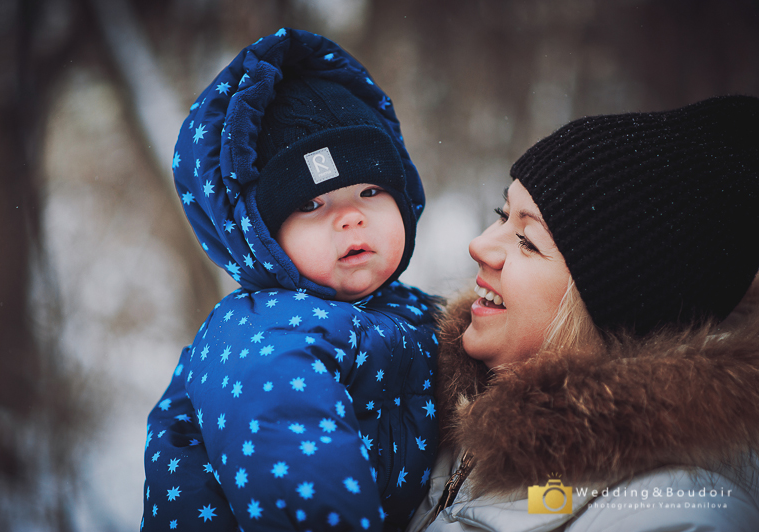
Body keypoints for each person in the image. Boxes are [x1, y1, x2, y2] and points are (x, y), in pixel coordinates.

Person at [407, 95, 759, 531]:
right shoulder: (419, 398)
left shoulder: (671, 516)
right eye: (503, 215)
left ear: (609, 306)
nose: (479, 244)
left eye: (527, 241)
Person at [141, 29, 440, 532]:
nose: (350, 218)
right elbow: (298, 472)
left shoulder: (409, 308)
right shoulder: (264, 338)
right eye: (311, 204)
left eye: (370, 190)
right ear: (261, 237)